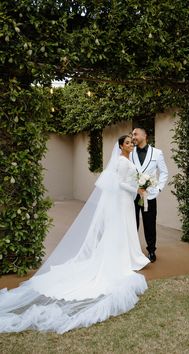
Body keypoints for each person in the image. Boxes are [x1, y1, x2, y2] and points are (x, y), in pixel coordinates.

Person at [0, 135, 150, 334]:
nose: (131, 144)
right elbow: (119, 183)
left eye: (132, 142)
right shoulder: (122, 162)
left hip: (126, 200)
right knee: (122, 228)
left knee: (127, 228)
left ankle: (131, 255)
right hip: (122, 199)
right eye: (128, 143)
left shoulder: (127, 160)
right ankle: (126, 258)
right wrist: (136, 188)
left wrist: (138, 187)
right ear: (121, 146)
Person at [131, 128, 168, 262]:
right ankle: (132, 251)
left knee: (150, 224)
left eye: (135, 134)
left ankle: (151, 251)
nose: (133, 137)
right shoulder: (130, 152)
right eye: (132, 135)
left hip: (150, 196)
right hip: (132, 196)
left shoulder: (157, 153)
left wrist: (158, 189)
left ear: (144, 135)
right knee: (132, 223)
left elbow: (164, 172)